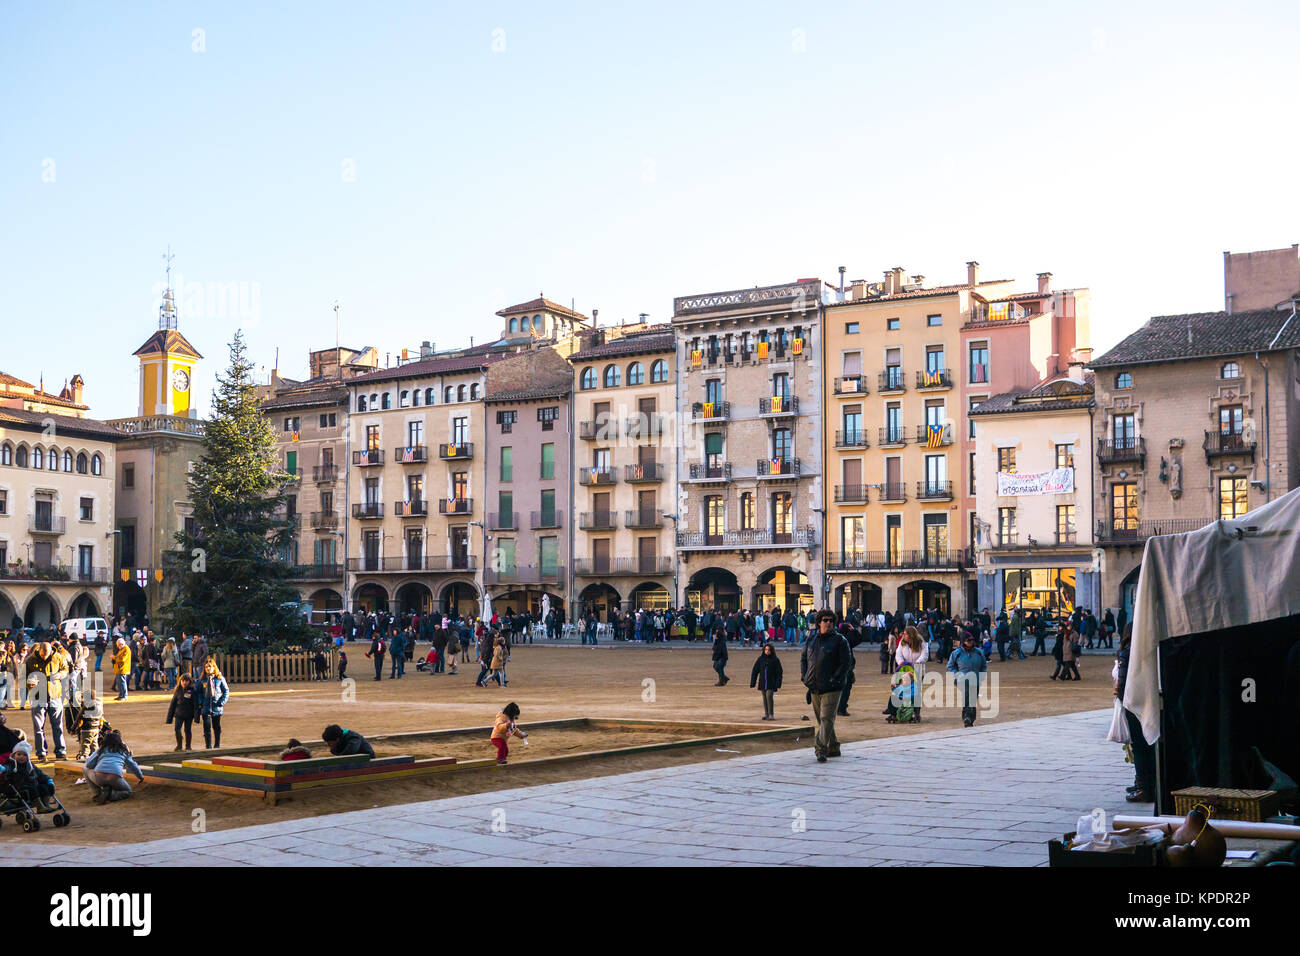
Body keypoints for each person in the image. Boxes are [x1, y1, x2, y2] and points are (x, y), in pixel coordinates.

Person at [801, 611, 851, 762]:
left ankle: (820, 748)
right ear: (819, 622)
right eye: (825, 620)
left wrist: (835, 679)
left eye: (831, 620)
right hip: (814, 686)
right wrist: (804, 676)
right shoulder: (811, 639)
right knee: (822, 720)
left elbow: (845, 664)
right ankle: (834, 746)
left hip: (832, 687)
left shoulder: (840, 641)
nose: (828, 623)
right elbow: (804, 659)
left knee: (826, 718)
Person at [24, 642, 68, 762]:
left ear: (50, 651)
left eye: (46, 655)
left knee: (58, 726)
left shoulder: (58, 657)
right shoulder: (30, 660)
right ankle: (41, 753)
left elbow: (65, 670)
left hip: (55, 696)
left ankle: (60, 751)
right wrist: (30, 682)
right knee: (38, 728)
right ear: (39, 650)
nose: (44, 657)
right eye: (43, 655)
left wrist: (59, 675)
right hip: (38, 697)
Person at [947, 630, 988, 727]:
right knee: (967, 695)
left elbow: (984, 665)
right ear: (963, 641)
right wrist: (957, 675)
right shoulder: (956, 653)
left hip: (975, 679)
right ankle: (966, 717)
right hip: (962, 679)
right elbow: (950, 666)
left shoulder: (979, 652)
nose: (971, 642)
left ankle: (971, 718)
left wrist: (982, 676)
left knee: (973, 698)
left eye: (972, 640)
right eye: (968, 640)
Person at [1, 740, 57, 811]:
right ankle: (40, 807)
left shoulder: (30, 766)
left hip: (32, 786)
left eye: (25, 755)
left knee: (44, 786)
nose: (21, 757)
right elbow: (7, 768)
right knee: (33, 789)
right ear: (14, 755)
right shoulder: (11, 764)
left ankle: (46, 805)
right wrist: (3, 769)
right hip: (19, 788)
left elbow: (40, 773)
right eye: (19, 754)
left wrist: (48, 780)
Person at [195, 659, 229, 749]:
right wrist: (200, 702)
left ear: (214, 667)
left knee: (216, 727)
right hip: (205, 707)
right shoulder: (201, 680)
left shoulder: (219, 679)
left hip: (216, 706)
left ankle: (217, 744)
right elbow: (198, 692)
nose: (208, 668)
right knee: (207, 728)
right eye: (206, 667)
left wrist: (221, 702)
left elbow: (226, 691)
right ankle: (208, 746)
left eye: (210, 666)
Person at [750, 642, 783, 720]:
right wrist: (753, 682)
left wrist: (778, 683)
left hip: (771, 682)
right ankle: (766, 714)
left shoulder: (775, 660)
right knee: (764, 698)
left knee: (769, 696)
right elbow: (755, 671)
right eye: (766, 649)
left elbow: (779, 672)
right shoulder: (760, 659)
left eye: (769, 650)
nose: (767, 651)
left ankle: (771, 714)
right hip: (762, 682)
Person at [166, 673, 198, 751]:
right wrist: (169, 718)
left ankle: (188, 746)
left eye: (186, 681)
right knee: (177, 729)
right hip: (179, 714)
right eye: (183, 681)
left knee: (187, 730)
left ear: (189, 682)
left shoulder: (193, 692)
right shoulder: (177, 691)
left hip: (189, 715)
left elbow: (195, 705)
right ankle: (179, 745)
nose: (184, 682)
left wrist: (196, 717)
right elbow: (172, 705)